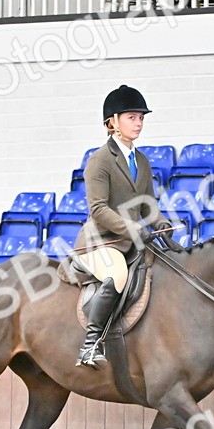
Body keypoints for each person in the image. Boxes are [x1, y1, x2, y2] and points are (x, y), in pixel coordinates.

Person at [71, 85, 179, 368]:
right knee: (117, 274)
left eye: (141, 118)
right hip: (100, 242)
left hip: (132, 243)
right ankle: (90, 345)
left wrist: (163, 224)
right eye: (132, 117)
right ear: (113, 122)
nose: (139, 123)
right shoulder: (99, 161)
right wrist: (133, 230)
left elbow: (148, 206)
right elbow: (98, 209)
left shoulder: (141, 161)